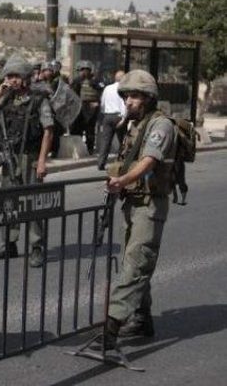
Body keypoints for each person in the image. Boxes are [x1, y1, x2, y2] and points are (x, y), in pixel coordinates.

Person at [98, 69, 177, 348]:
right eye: (126, 96)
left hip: (150, 204)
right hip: (133, 202)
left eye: (134, 96)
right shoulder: (135, 124)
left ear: (148, 98)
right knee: (133, 261)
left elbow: (149, 161)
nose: (128, 101)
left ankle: (111, 327)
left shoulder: (161, 125)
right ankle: (142, 319)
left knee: (136, 263)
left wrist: (122, 180)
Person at [0, 54, 54, 267]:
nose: (12, 80)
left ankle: (36, 247)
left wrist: (42, 161)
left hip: (30, 157)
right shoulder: (6, 98)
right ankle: (9, 243)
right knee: (7, 203)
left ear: (26, 77)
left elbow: (48, 131)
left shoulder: (39, 99)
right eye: (9, 76)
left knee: (33, 203)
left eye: (16, 76)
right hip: (9, 158)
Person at [71, 60, 103, 154]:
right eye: (82, 70)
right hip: (79, 108)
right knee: (77, 129)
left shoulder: (95, 81)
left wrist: (97, 102)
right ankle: (77, 149)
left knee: (90, 130)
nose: (84, 72)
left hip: (91, 108)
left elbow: (101, 91)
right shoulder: (77, 81)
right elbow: (72, 94)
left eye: (86, 69)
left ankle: (90, 149)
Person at [97, 70, 127, 170]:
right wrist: (124, 118)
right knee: (123, 141)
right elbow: (123, 104)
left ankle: (101, 163)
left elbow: (103, 103)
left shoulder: (107, 88)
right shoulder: (123, 89)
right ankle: (122, 161)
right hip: (118, 116)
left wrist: (103, 114)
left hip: (108, 116)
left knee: (106, 141)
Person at [39, 59, 65, 156]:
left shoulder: (57, 81)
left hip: (53, 109)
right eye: (47, 70)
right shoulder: (37, 81)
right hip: (40, 110)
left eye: (50, 70)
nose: (49, 72)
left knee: (55, 131)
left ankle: (54, 150)